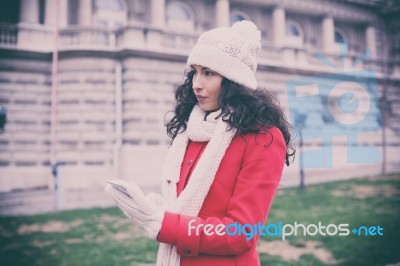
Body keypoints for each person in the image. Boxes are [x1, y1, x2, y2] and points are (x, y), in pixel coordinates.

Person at [105, 20, 296, 266]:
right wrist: (152, 209)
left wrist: (163, 223)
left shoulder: (262, 138)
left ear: (233, 79)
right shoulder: (192, 129)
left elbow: (242, 233)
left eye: (209, 72)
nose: (196, 83)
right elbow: (192, 208)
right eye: (195, 71)